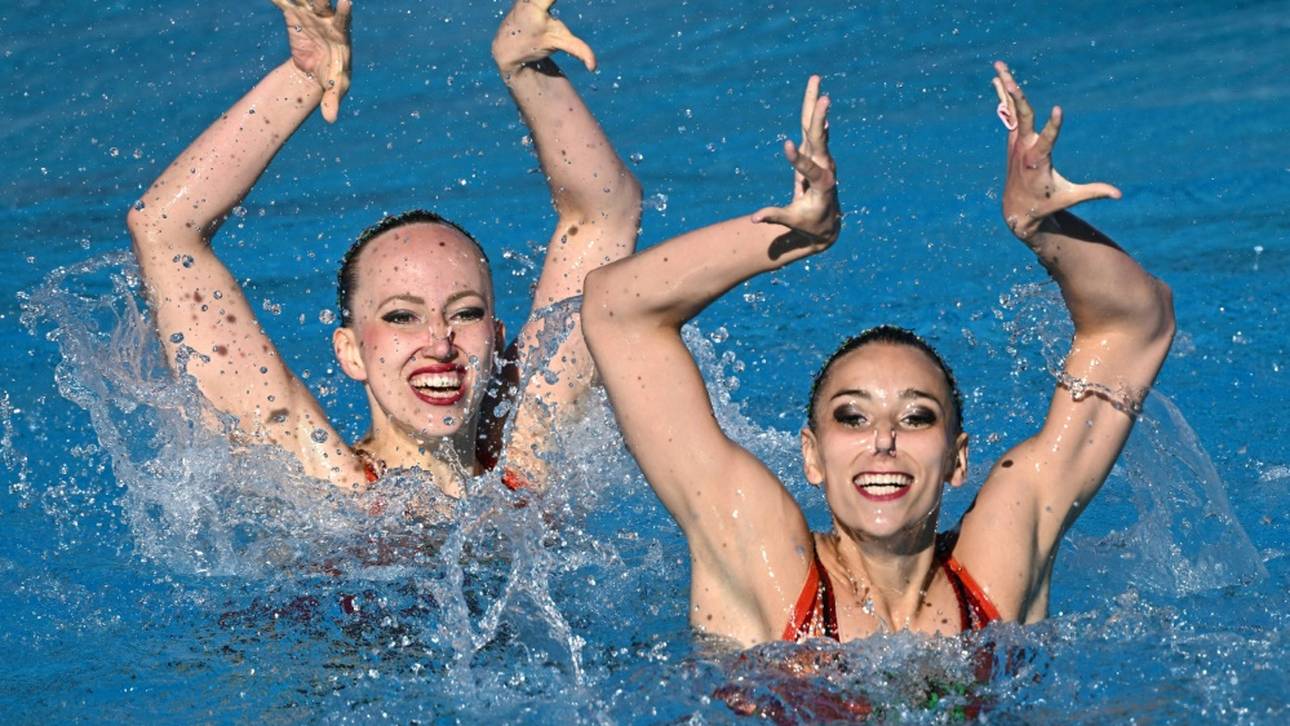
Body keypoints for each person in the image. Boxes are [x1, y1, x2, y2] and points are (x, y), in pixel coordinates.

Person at [582, 63, 1174, 646]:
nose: (884, 440)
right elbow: (617, 311)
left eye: (917, 417)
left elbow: (1135, 326)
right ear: (811, 457)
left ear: (957, 460)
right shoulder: (762, 557)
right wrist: (793, 239)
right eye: (852, 416)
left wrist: (1043, 228)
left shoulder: (999, 561)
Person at [126, 0, 641, 498]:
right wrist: (304, 79)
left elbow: (604, 216)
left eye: (465, 312)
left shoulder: (526, 454)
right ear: (351, 353)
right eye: (401, 317)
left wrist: (525, 69)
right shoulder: (317, 487)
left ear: (497, 336)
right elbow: (166, 230)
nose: (440, 343)